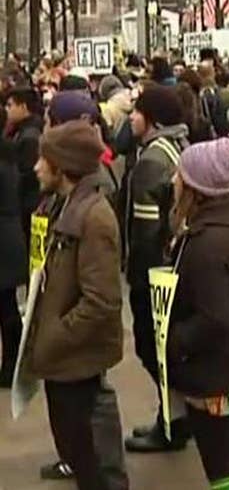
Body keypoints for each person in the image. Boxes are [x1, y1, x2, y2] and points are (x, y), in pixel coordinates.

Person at [20, 120, 124, 490]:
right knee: (79, 453)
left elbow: (102, 301)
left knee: (94, 461)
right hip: (64, 362)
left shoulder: (94, 218)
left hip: (77, 360)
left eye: (42, 160)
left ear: (62, 167)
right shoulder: (60, 205)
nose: (35, 167)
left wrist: (54, 335)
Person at [167, 138, 229, 490]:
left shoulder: (207, 242)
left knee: (219, 464)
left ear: (196, 187)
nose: (174, 181)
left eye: (180, 175)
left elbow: (214, 318)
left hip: (213, 371)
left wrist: (173, 341)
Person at [123, 85, 192, 453]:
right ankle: (175, 417)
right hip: (174, 266)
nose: (130, 117)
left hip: (154, 273)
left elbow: (146, 231)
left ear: (152, 119)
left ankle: (172, 423)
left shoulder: (152, 161)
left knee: (152, 348)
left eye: (137, 112)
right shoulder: (174, 147)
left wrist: (139, 278)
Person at [0, 110, 27, 388]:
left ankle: (11, 366)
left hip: (3, 240)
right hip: (9, 236)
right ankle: (12, 364)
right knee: (6, 305)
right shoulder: (8, 154)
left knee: (7, 308)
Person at [4, 86, 43, 240]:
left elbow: (26, 174)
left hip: (27, 206)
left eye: (10, 105)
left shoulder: (29, 137)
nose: (7, 110)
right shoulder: (20, 131)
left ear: (23, 107)